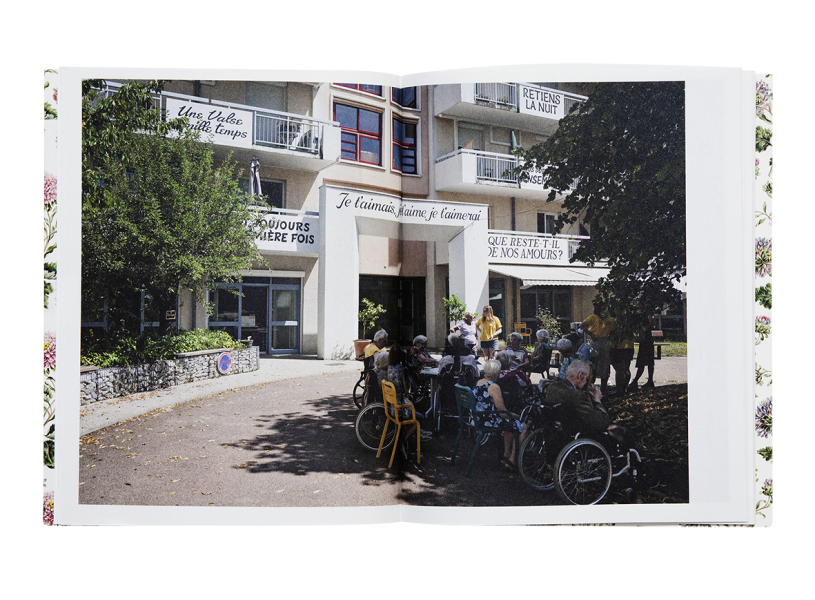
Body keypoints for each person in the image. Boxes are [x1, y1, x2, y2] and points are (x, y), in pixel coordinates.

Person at [472, 359, 529, 469]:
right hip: (488, 421)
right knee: (523, 426)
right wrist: (517, 416)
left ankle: (506, 455)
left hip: (477, 418)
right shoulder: (494, 387)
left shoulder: (478, 382)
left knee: (510, 424)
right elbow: (502, 413)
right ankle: (512, 459)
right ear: (498, 373)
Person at [544, 360, 611, 435]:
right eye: (586, 379)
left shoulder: (551, 387)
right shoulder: (576, 395)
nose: (586, 382)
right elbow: (601, 422)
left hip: (553, 432)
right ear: (580, 375)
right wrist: (598, 401)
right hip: (574, 434)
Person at [580, 303, 615, 395]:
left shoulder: (610, 319)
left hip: (605, 342)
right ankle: (590, 387)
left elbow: (614, 329)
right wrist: (591, 334)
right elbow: (581, 325)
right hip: (595, 341)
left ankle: (603, 390)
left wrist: (610, 336)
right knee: (593, 364)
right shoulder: (593, 317)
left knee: (605, 364)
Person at [494, 350, 532, 415]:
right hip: (515, 400)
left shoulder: (495, 374)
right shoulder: (517, 373)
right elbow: (526, 384)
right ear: (510, 362)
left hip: (499, 400)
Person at [630, 316, 656, 391]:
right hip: (647, 341)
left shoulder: (645, 316)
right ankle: (648, 380)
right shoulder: (645, 316)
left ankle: (637, 381)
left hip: (646, 341)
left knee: (643, 363)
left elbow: (652, 325)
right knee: (647, 363)